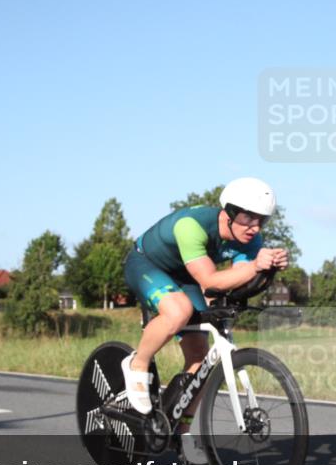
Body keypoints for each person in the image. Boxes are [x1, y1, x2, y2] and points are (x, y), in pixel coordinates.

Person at [121, 177, 288, 427]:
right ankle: (138, 364)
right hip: (146, 264)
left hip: (185, 275)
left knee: (200, 357)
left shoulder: (251, 240)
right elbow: (209, 280)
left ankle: (180, 429)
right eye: (248, 218)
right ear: (229, 212)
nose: (255, 227)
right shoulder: (191, 226)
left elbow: (237, 281)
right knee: (179, 311)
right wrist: (255, 266)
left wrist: (268, 269)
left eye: (262, 220)